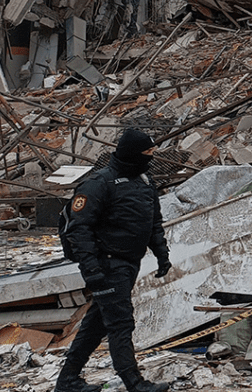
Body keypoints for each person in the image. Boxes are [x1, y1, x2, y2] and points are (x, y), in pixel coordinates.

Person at [55, 129, 171, 392]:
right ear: (132, 154)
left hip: (130, 263)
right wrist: (91, 269)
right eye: (147, 153)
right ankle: (134, 383)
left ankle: (67, 381)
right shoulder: (99, 184)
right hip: (106, 264)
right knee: (121, 322)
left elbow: (153, 222)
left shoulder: (144, 181)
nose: (151, 158)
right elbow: (78, 230)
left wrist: (162, 254)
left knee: (96, 324)